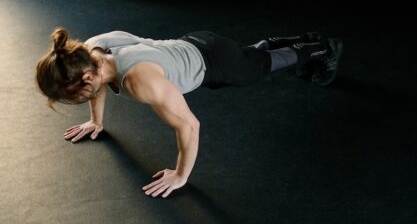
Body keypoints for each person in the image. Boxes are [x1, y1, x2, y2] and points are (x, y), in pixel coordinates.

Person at [35, 27, 343, 198]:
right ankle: (306, 41)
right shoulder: (93, 49)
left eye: (71, 94)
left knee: (263, 66)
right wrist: (95, 121)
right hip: (195, 42)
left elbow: (190, 126)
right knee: (254, 54)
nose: (75, 98)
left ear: (85, 77)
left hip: (215, 63)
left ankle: (324, 49)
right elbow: (97, 86)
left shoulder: (141, 82)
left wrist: (180, 175)